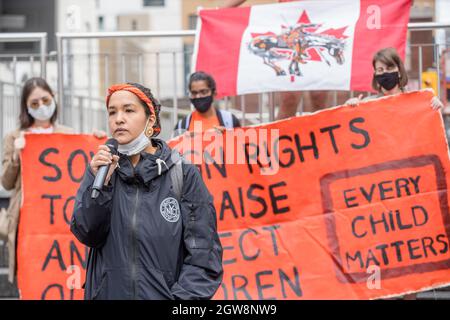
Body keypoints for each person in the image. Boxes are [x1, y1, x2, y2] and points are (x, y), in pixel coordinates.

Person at [71, 82, 223, 300]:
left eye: (129, 110)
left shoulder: (182, 173)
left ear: (150, 120)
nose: (118, 119)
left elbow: (204, 257)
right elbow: (87, 232)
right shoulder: (101, 171)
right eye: (112, 112)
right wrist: (100, 184)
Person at [0, 77, 106, 284]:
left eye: (45, 101)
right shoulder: (14, 137)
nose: (41, 107)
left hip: (60, 219)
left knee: (61, 276)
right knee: (33, 278)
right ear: (26, 107)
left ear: (54, 99)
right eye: (34, 103)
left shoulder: (67, 134)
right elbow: (6, 182)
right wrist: (16, 157)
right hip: (28, 221)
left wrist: (96, 141)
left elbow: (82, 170)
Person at [223, 0, 331, 119]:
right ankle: (281, 137)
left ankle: (324, 136)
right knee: (289, 99)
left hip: (319, 31)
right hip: (288, 34)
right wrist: (218, 11)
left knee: (319, 97)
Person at [345, 47, 443, 110]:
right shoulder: (367, 104)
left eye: (389, 68)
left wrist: (434, 106)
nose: (385, 72)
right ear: (375, 74)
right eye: (380, 70)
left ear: (399, 71)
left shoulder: (417, 101)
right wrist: (349, 107)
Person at [174, 71, 241, 137]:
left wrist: (227, 138)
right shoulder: (182, 126)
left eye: (203, 92)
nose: (198, 96)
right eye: (194, 93)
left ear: (214, 93)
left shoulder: (230, 121)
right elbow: (172, 147)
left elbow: (242, 146)